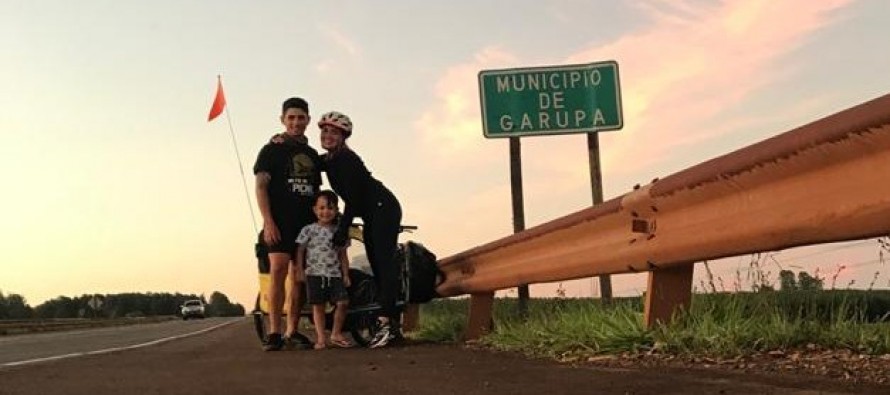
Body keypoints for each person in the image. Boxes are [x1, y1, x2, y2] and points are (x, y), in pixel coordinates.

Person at [316, 111, 404, 348]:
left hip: (383, 208)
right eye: (324, 131)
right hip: (372, 212)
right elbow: (310, 159)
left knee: (384, 265)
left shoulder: (346, 159)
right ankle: (391, 325)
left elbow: (353, 199)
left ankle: (387, 323)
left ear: (344, 136)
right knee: (377, 265)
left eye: (334, 132)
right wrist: (279, 139)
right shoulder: (331, 159)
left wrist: (342, 229)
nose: (328, 135)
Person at [253, 97, 322, 351]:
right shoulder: (271, 150)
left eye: (300, 117)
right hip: (279, 220)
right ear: (282, 119)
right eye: (290, 117)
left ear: (308, 121)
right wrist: (268, 221)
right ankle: (274, 332)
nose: (295, 122)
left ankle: (293, 330)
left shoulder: (312, 155)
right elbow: (261, 187)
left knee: (299, 276)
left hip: (306, 223)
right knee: (279, 269)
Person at [295, 190, 353, 350]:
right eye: (321, 208)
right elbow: (300, 250)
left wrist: (346, 274)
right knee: (318, 306)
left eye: (330, 208)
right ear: (315, 210)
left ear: (336, 210)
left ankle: (335, 333)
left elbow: (343, 254)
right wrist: (299, 269)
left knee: (342, 302)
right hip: (314, 273)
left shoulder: (339, 232)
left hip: (334, 274)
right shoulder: (308, 230)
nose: (325, 212)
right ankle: (320, 338)